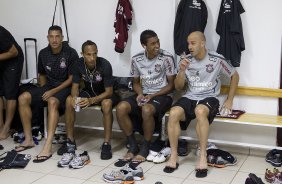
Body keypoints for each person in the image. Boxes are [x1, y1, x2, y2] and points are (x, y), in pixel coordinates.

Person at [164, 31, 239, 177]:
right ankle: (174, 155)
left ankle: (203, 155)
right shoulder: (186, 60)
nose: (189, 46)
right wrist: (181, 71)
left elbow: (234, 75)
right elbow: (179, 87)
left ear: (202, 43)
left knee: (200, 111)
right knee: (173, 113)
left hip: (209, 97)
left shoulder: (216, 59)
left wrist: (229, 100)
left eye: (193, 43)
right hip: (190, 96)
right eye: (188, 43)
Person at [15, 25, 79, 163]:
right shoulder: (43, 53)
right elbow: (42, 75)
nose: (54, 39)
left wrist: (52, 92)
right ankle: (28, 139)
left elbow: (72, 79)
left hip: (65, 87)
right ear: (47, 38)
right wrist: (43, 92)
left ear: (62, 38)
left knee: (52, 101)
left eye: (57, 36)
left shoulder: (71, 53)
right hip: (49, 86)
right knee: (23, 97)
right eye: (51, 36)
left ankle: (48, 146)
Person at [116, 30, 176, 165]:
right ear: (144, 46)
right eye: (153, 43)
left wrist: (152, 95)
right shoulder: (136, 59)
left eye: (158, 41)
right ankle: (132, 145)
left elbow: (172, 85)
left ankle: (145, 146)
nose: (157, 46)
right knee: (121, 107)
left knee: (147, 110)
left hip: (163, 95)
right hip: (146, 94)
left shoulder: (167, 57)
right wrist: (140, 94)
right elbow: (136, 83)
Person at [57, 40, 119, 162]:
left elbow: (109, 92)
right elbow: (75, 87)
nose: (92, 58)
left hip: (105, 94)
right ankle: (70, 141)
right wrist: (75, 98)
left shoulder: (105, 64)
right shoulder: (77, 64)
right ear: (82, 54)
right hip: (89, 92)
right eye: (89, 54)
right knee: (69, 100)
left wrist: (91, 100)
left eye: (94, 54)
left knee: (106, 104)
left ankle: (106, 144)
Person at [0, 26, 24, 140]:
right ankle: (0, 126)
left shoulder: (0, 32)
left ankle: (6, 128)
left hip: (13, 59)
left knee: (10, 93)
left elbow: (13, 52)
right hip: (1, 59)